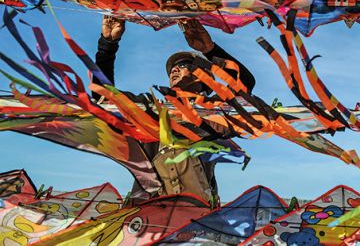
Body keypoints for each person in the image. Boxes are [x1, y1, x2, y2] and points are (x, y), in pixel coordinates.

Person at [94, 15, 256, 203]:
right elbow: (102, 97)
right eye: (172, 69)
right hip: (147, 211)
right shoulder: (151, 109)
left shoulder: (213, 114)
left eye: (183, 65)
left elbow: (244, 84)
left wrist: (210, 50)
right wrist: (108, 44)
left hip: (195, 212)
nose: (174, 70)